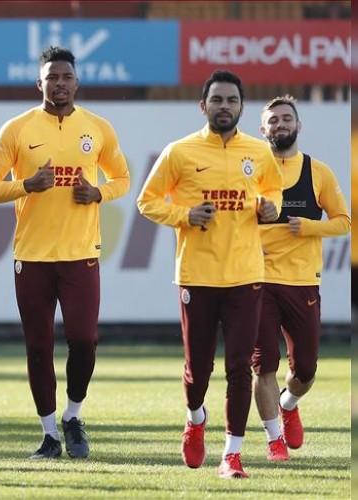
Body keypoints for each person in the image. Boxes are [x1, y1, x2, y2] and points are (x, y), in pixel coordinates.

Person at [0, 46, 130, 460]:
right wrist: (26, 185)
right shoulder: (17, 128)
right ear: (38, 83)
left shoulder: (98, 128)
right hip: (32, 256)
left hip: (81, 253)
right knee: (38, 346)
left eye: (66, 77)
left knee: (85, 340)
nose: (59, 84)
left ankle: (73, 416)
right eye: (51, 78)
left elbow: (122, 178)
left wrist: (98, 193)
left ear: (77, 82)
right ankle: (48, 435)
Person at [136, 69, 283, 479]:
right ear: (203, 106)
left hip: (245, 275)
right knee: (197, 369)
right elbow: (147, 201)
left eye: (232, 100)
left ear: (242, 107)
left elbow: (273, 190)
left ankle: (232, 455)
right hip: (197, 276)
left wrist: (270, 206)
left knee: (239, 367)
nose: (224, 106)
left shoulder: (259, 152)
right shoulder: (179, 151)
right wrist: (185, 214)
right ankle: (195, 418)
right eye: (217, 100)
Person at [251, 95, 350, 461]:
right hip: (256, 280)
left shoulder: (317, 171)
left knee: (305, 369)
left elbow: (343, 222)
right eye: (273, 120)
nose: (280, 124)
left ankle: (288, 404)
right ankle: (274, 440)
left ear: (298, 125)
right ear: (263, 129)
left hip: (302, 281)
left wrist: (308, 227)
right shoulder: (250, 170)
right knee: (263, 365)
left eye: (286, 118)